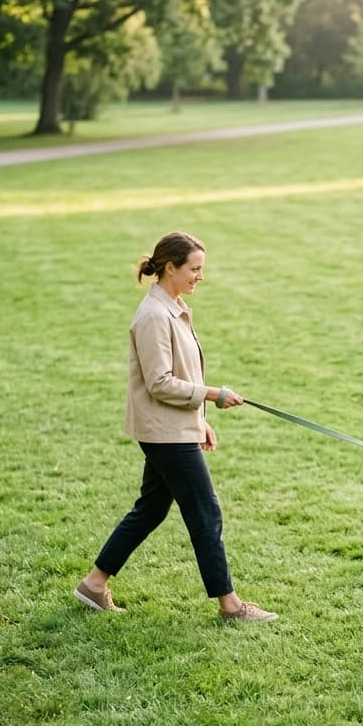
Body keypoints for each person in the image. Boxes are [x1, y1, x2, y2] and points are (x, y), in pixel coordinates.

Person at [74, 230, 277, 622]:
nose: (200, 276)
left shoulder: (174, 307)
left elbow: (182, 373)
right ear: (170, 268)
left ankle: (94, 584)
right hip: (164, 432)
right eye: (194, 269)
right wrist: (211, 395)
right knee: (205, 512)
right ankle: (231, 605)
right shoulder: (154, 316)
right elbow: (160, 383)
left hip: (172, 427)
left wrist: (199, 422)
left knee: (151, 509)